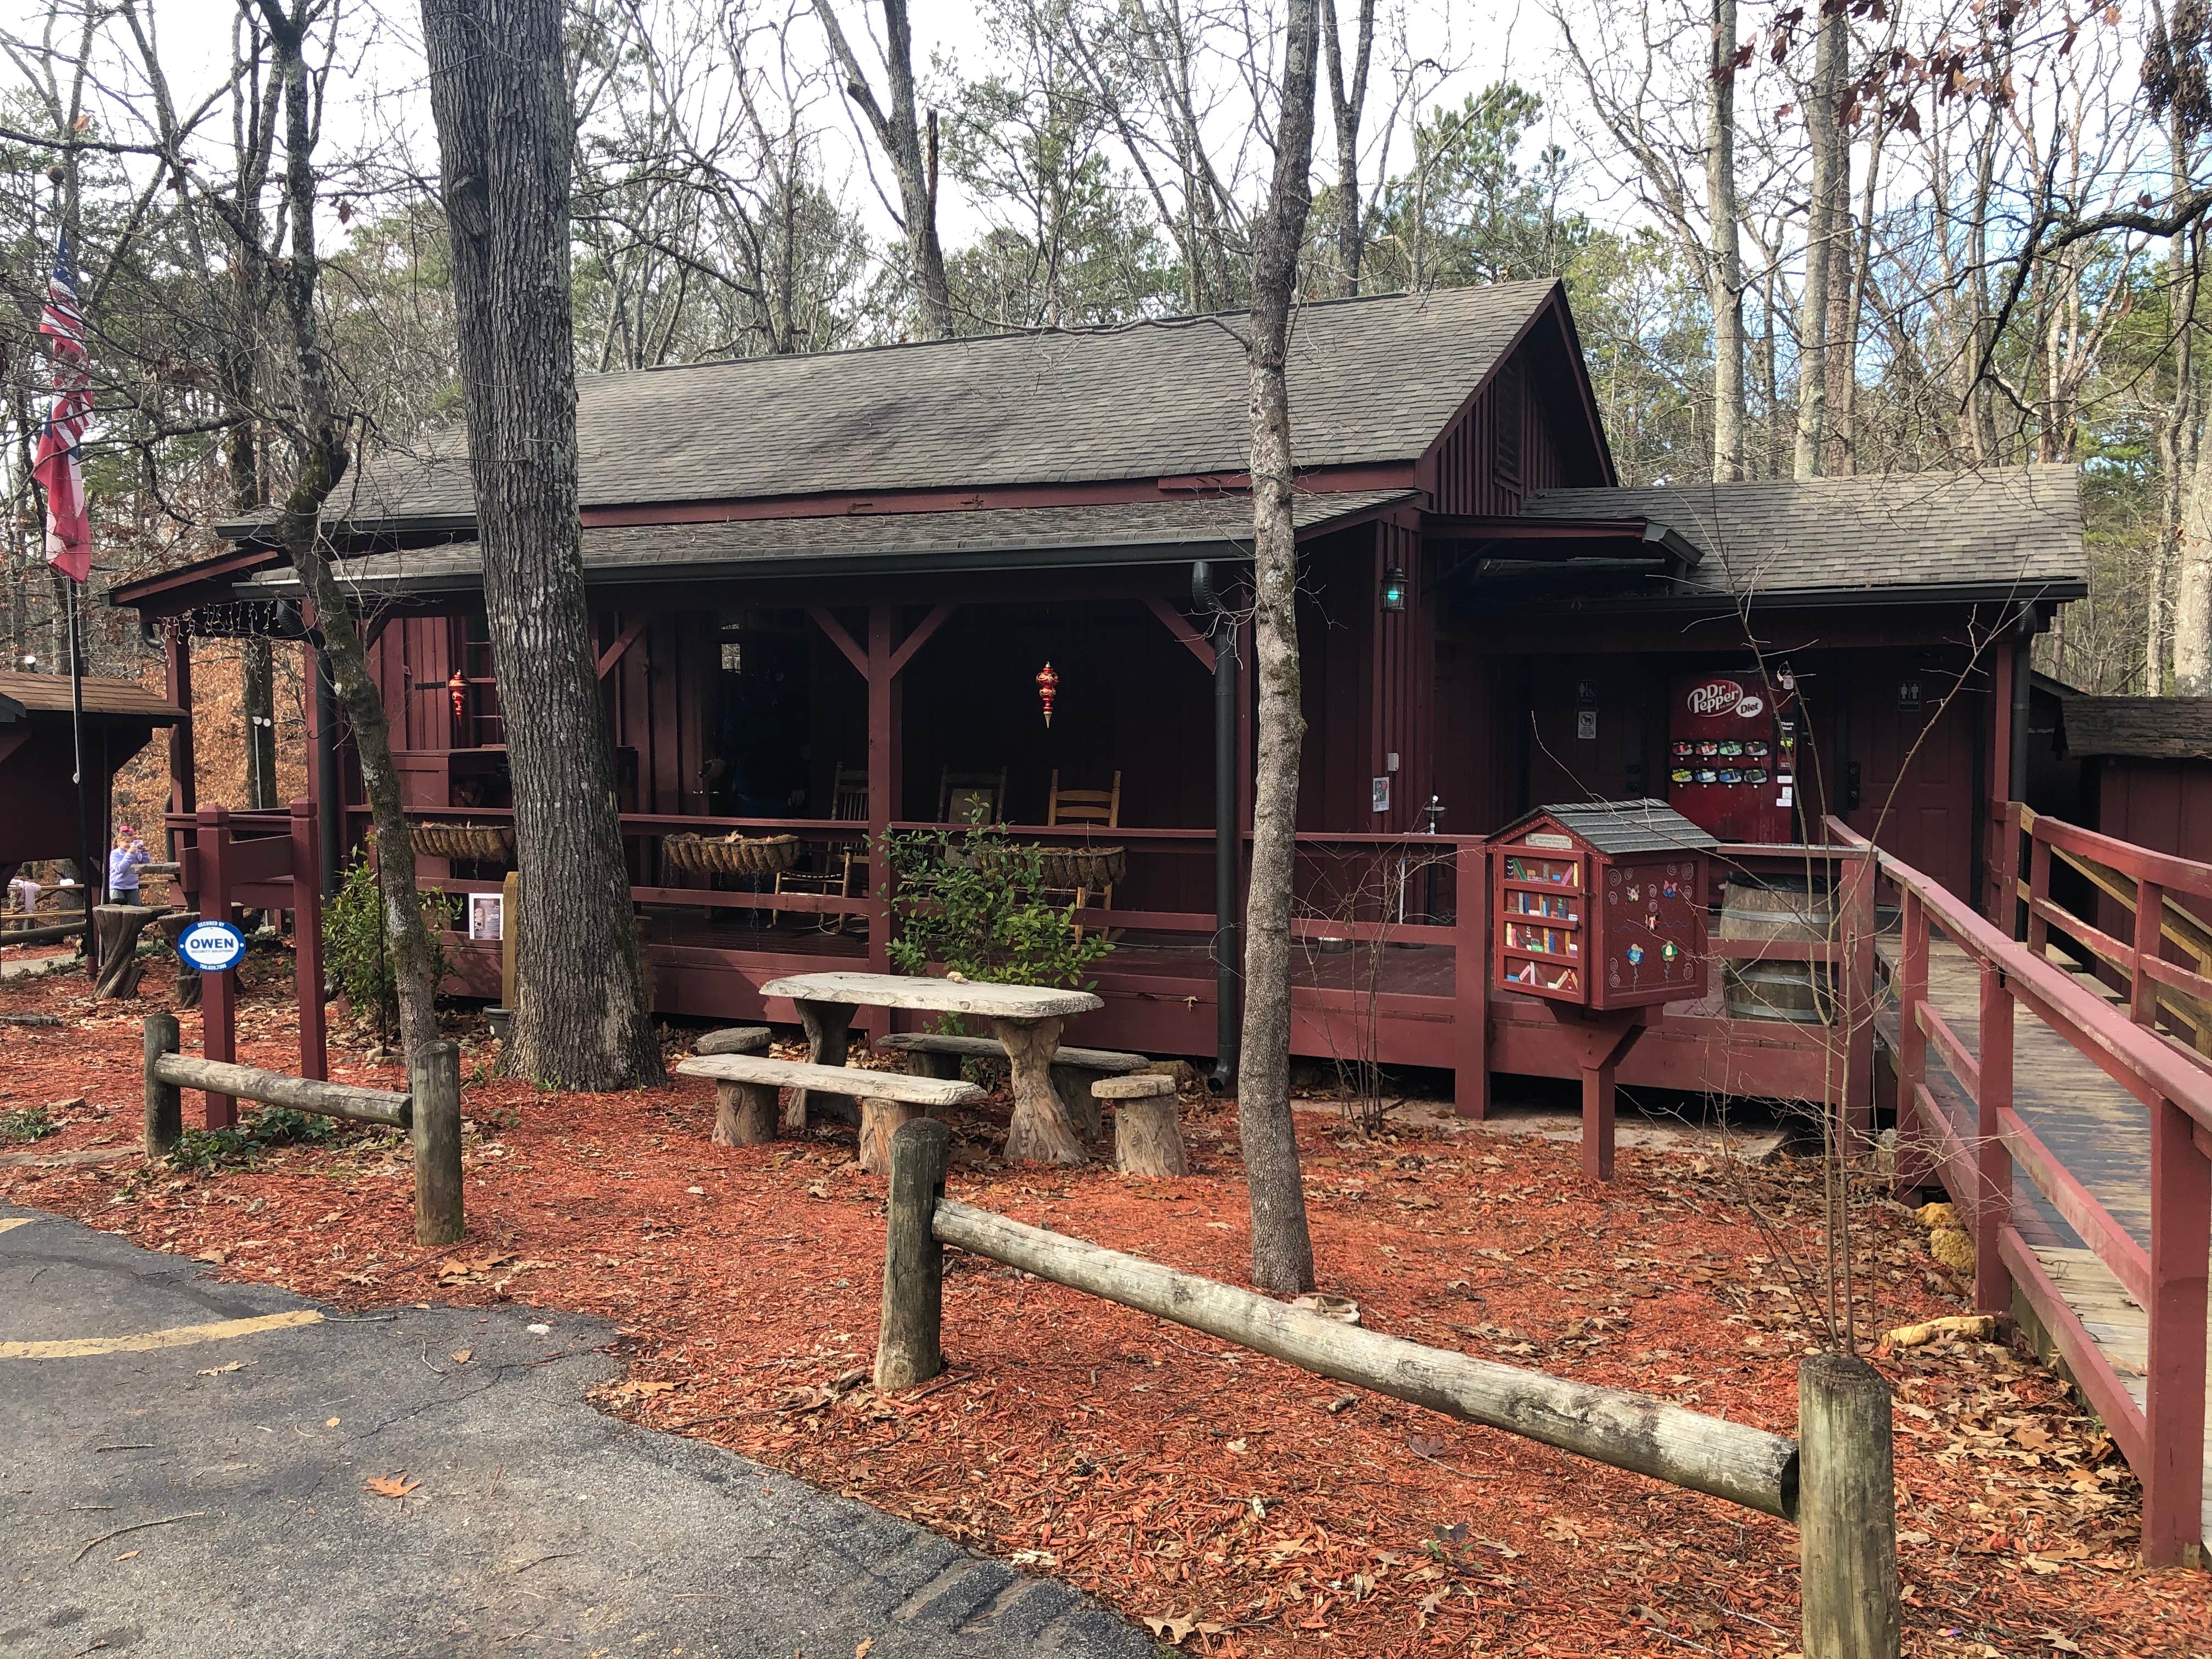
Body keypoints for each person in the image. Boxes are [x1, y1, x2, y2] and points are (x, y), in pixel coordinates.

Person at [108, 829, 150, 902]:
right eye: (127, 842)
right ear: (119, 842)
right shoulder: (115, 854)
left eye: (131, 842)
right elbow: (120, 869)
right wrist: (129, 855)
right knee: (119, 911)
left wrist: (145, 853)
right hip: (117, 887)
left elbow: (145, 867)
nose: (130, 845)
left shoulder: (135, 853)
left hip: (133, 887)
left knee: (137, 911)